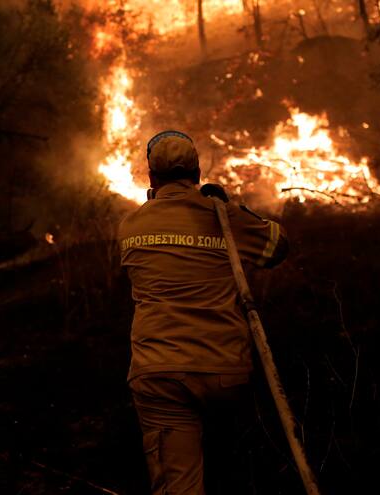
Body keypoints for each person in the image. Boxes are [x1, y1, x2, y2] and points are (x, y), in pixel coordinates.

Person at [118, 130, 289, 494]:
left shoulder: (131, 225)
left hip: (160, 372)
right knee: (235, 472)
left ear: (151, 178)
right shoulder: (223, 218)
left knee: (180, 484)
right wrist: (230, 207)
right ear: (197, 174)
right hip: (225, 370)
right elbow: (277, 246)